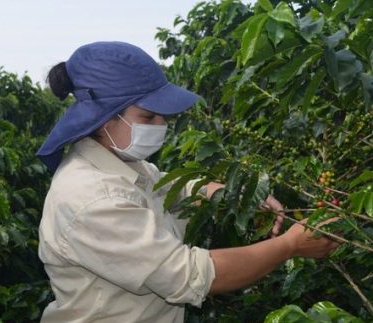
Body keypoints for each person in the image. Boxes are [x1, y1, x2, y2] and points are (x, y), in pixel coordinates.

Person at [36, 41, 339, 323]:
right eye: (149, 116)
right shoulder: (91, 197)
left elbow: (169, 187)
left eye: (164, 116)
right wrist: (288, 246)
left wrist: (228, 192)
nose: (162, 125)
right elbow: (191, 276)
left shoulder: (126, 165)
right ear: (105, 118)